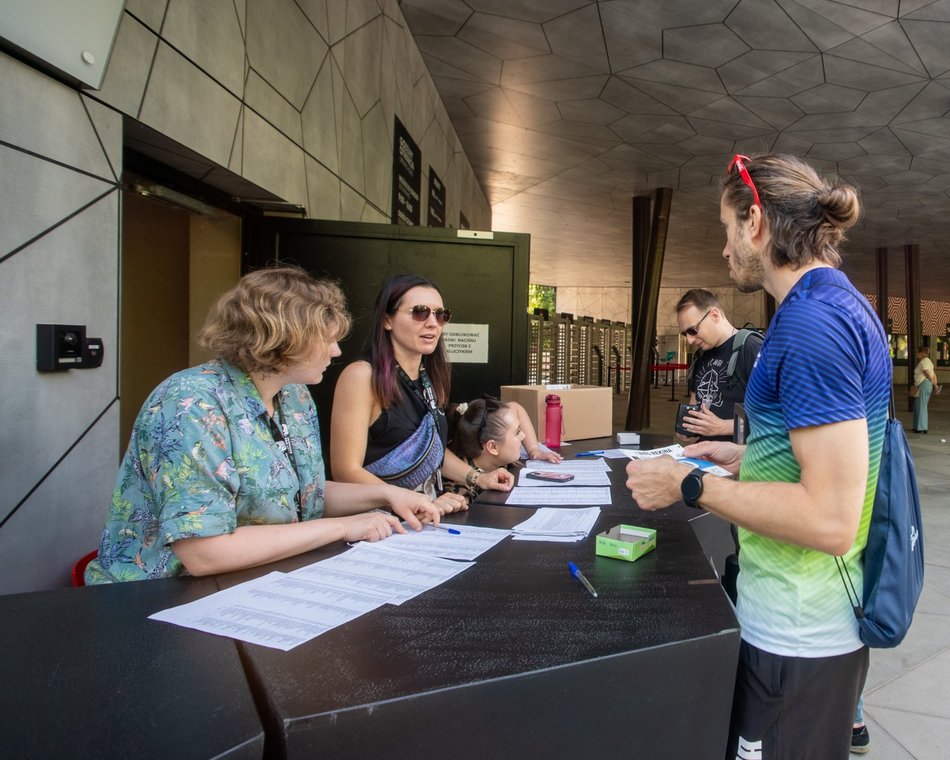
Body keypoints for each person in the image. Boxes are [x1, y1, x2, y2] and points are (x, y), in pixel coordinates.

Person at [625, 154, 890, 760]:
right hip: (804, 626)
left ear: (756, 224)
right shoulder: (831, 305)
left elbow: (829, 519)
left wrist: (689, 484)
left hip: (799, 631)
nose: (724, 251)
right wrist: (750, 454)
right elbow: (825, 462)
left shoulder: (813, 324)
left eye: (725, 230)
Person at [86, 267, 441, 584]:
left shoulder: (295, 397)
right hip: (158, 596)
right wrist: (344, 526)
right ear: (284, 337)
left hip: (256, 583)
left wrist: (388, 496)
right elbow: (204, 553)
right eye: (327, 339)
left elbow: (306, 495)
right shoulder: (192, 403)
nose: (336, 352)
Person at [331, 274, 513, 513]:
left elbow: (433, 449)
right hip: (377, 521)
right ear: (387, 319)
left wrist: (477, 478)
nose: (432, 323)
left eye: (441, 315)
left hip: (426, 516)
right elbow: (346, 471)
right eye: (420, 312)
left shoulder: (431, 378)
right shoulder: (361, 376)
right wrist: (413, 501)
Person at [677, 288, 763, 442]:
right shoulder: (701, 355)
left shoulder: (752, 348)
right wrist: (689, 427)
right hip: (704, 457)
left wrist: (723, 427)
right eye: (685, 334)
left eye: (693, 330)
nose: (689, 340)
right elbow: (694, 401)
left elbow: (779, 418)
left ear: (714, 315)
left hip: (740, 460)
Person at [446, 397, 561, 496]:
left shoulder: (492, 460)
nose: (523, 435)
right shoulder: (461, 489)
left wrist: (533, 449)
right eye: (517, 432)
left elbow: (514, 407)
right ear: (493, 447)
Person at [912, 345, 940, 433]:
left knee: (921, 406)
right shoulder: (929, 362)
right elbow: (934, 375)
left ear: (922, 353)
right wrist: (935, 385)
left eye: (918, 352)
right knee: (918, 405)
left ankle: (922, 427)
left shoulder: (924, 361)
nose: (916, 354)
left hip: (923, 385)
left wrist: (935, 386)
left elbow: (928, 374)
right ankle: (917, 426)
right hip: (926, 385)